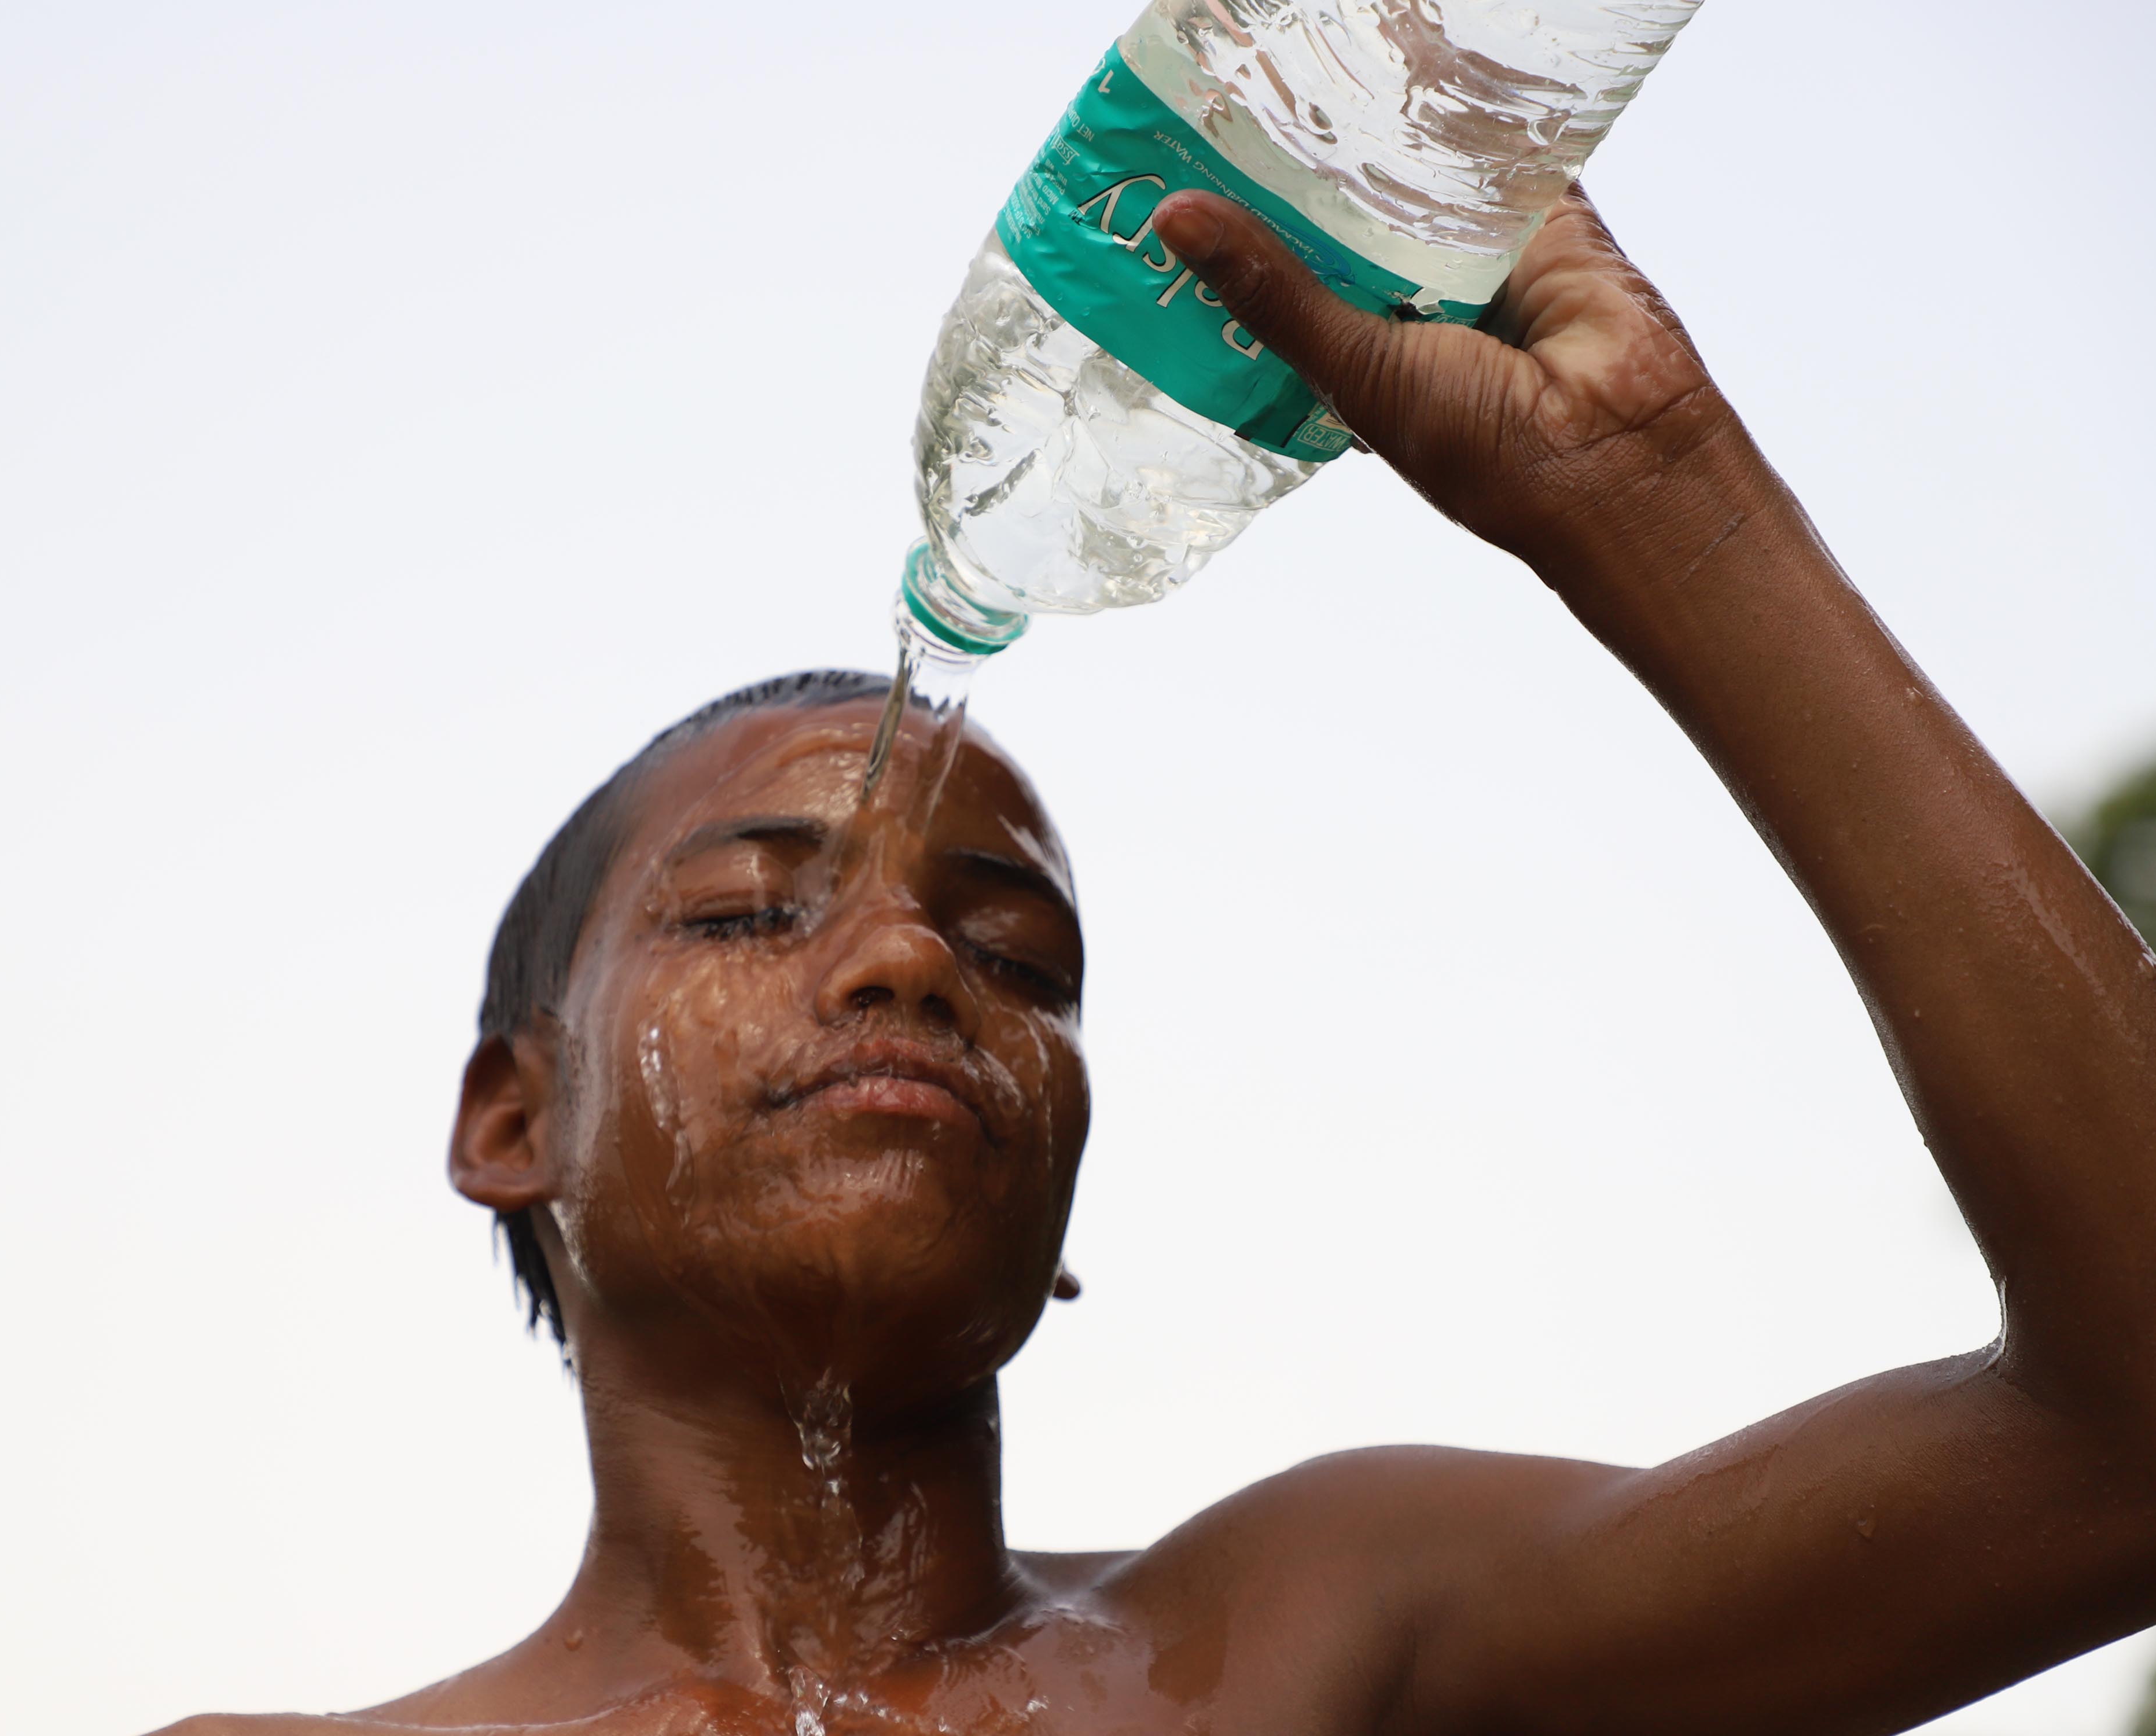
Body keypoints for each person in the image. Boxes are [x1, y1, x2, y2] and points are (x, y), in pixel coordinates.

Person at [153, 185, 2156, 1735]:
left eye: (1015, 954)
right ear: (514, 1116)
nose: (903, 964)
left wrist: (1650, 489)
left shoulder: (1321, 1636)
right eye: (754, 906)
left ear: (1066, 1193)